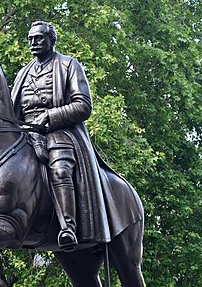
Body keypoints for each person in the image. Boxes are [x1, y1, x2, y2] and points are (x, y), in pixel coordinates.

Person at [12, 21, 141, 252]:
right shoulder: (23, 73)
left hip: (59, 132)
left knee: (60, 169)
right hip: (27, 134)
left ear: (51, 40)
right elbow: (13, 112)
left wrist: (50, 116)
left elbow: (83, 106)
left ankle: (68, 227)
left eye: (39, 38)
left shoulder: (68, 65)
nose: (33, 42)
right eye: (30, 38)